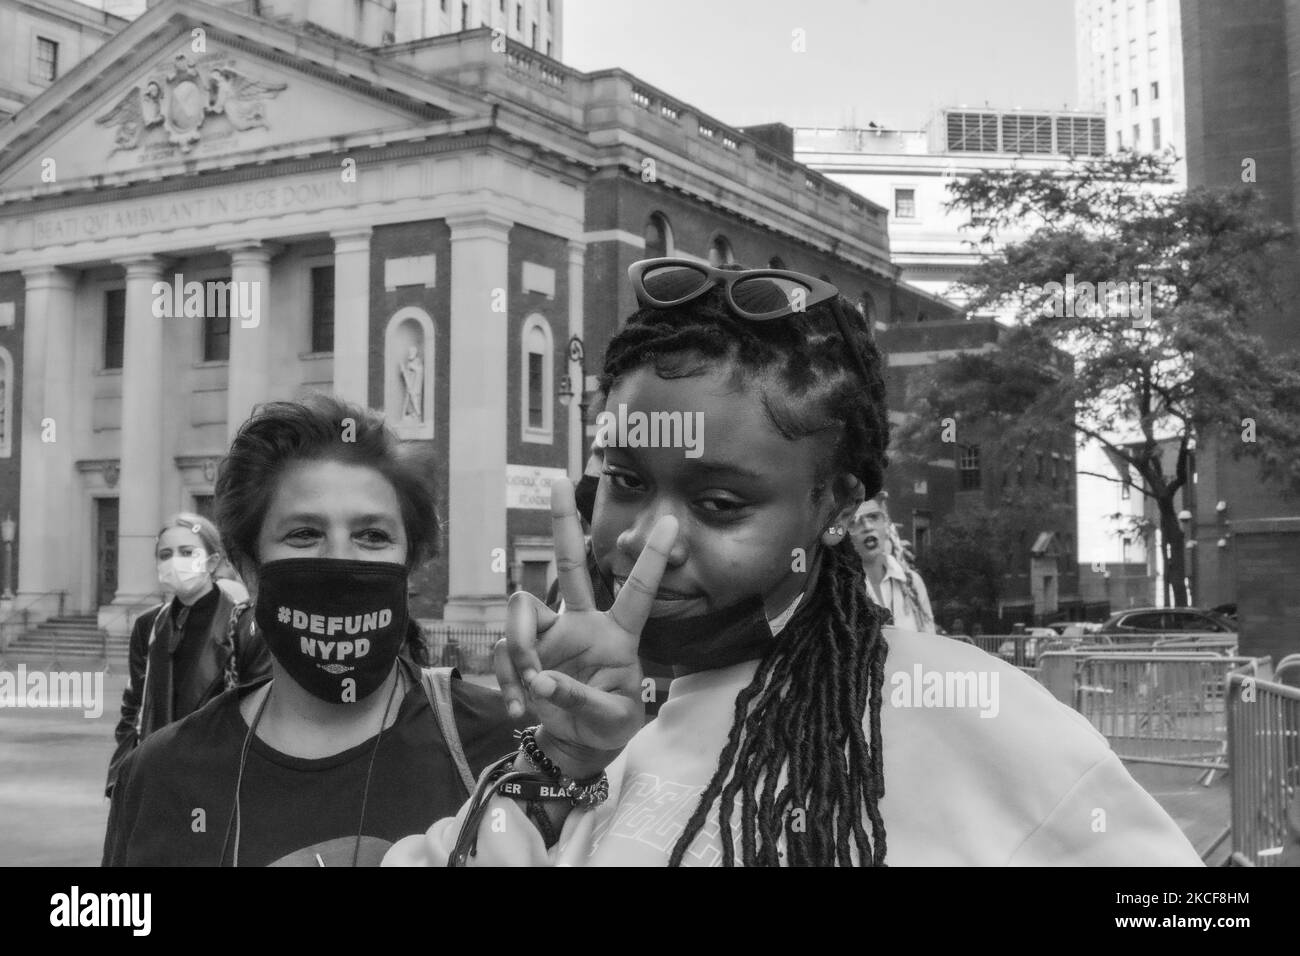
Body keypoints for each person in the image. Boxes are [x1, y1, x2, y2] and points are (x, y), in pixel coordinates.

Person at [384, 258, 1202, 866]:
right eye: (628, 483)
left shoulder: (973, 714)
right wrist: (556, 765)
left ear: (838, 507)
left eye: (720, 506)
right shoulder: (602, 735)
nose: (647, 539)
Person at [103, 396, 525, 866]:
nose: (339, 561)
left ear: (411, 563)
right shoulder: (161, 774)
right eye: (304, 534)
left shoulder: (508, 749)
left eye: (373, 536)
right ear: (249, 569)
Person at [105, 513, 270, 797]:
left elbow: (262, 713)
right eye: (165, 554)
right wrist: (122, 774)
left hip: (218, 779)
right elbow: (133, 707)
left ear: (213, 560)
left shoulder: (246, 623)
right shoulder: (149, 625)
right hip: (157, 777)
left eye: (186, 552)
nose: (174, 561)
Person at [847, 492, 936, 634]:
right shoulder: (840, 590)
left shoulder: (911, 583)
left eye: (873, 517)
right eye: (854, 521)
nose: (868, 527)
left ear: (886, 524)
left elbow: (930, 641)